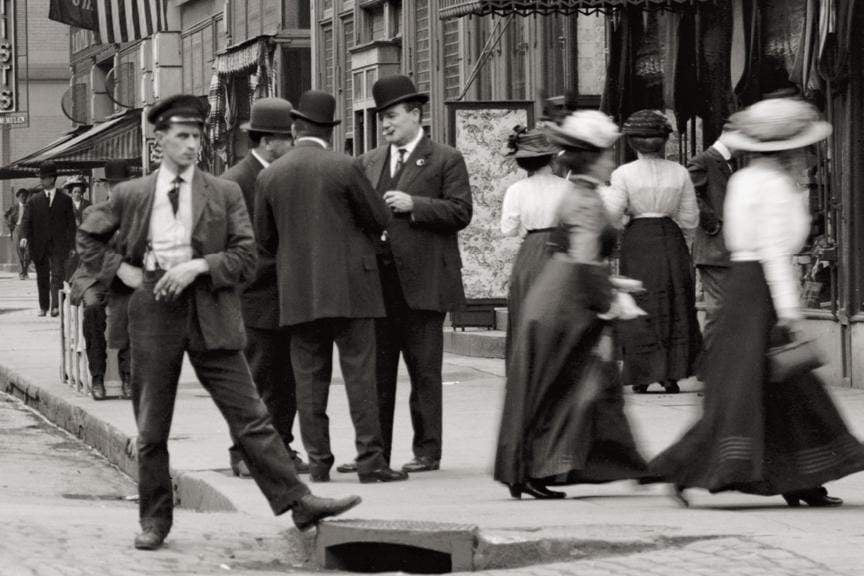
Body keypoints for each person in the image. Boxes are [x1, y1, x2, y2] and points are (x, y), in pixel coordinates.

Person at [77, 94, 361, 551]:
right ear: (160, 140)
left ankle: (300, 502)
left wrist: (199, 266)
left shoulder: (224, 192)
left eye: (197, 137)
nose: (192, 146)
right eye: (182, 136)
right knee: (152, 427)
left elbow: (247, 257)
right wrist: (122, 271)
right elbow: (88, 236)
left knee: (251, 417)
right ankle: (155, 521)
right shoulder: (131, 195)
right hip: (153, 314)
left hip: (212, 312)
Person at [649, 97, 864, 508]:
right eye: (800, 148)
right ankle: (696, 467)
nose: (805, 155)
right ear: (786, 150)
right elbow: (775, 254)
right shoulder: (777, 187)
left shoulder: (745, 180)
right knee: (774, 386)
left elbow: (741, 242)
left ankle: (801, 480)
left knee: (763, 387)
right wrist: (790, 313)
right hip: (762, 292)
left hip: (741, 288)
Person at [494, 110, 649, 499]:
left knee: (572, 383)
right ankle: (534, 468)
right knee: (558, 384)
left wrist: (612, 285)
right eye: (607, 155)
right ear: (591, 160)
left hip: (558, 293)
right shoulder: (585, 200)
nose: (611, 161)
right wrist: (611, 301)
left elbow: (576, 255)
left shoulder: (579, 194)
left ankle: (541, 467)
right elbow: (582, 259)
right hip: (566, 303)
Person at [255, 90, 407, 484]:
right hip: (353, 290)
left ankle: (319, 463)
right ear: (329, 129)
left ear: (295, 127)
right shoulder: (345, 166)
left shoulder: (270, 175)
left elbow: (265, 241)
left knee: (308, 381)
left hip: (299, 292)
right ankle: (371, 462)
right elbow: (379, 218)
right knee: (361, 378)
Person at [348, 74, 472, 474]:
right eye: (382, 118)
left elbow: (460, 211)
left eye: (392, 117)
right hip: (379, 288)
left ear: (416, 115)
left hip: (424, 286)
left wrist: (414, 203)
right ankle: (375, 452)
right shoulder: (368, 162)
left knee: (424, 374)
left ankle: (427, 451)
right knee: (377, 376)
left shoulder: (445, 158)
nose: (385, 125)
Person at [221, 97, 310, 477]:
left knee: (282, 380)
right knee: (257, 380)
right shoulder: (236, 182)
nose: (292, 144)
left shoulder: (274, 174)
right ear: (269, 141)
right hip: (253, 298)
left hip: (281, 296)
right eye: (288, 138)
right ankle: (246, 452)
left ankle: (278, 447)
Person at [604, 110, 701, 394]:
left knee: (641, 301)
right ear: (664, 141)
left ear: (632, 143)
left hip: (638, 240)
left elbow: (611, 213)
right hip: (671, 239)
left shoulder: (623, 174)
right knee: (675, 301)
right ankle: (672, 373)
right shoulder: (680, 172)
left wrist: (625, 221)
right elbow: (690, 219)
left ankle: (642, 373)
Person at [500, 126, 568, 363]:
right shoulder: (567, 188)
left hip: (530, 251)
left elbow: (507, 229)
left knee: (527, 309)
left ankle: (527, 370)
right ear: (551, 158)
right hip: (562, 250)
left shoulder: (516, 190)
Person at [68, 162, 134, 401]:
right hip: (95, 277)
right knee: (94, 309)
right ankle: (97, 376)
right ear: (107, 187)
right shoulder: (92, 213)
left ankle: (128, 377)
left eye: (122, 185)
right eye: (114, 185)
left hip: (124, 278)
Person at [688, 131, 739, 358]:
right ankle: (711, 371)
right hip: (714, 249)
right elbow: (690, 193)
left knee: (721, 311)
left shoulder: (728, 163)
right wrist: (713, 225)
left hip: (723, 250)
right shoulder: (704, 160)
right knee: (717, 311)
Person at [19, 161, 76, 317]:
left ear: (52, 179)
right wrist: (24, 237)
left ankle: (56, 306)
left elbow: (71, 225)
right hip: (39, 245)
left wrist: (72, 245)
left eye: (44, 178)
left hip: (59, 245)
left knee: (58, 275)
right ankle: (44, 306)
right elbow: (26, 221)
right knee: (42, 277)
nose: (41, 181)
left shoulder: (65, 200)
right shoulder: (34, 200)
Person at [4, 188, 31, 279]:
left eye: (25, 196)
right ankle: (21, 273)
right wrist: (10, 226)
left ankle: (25, 270)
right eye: (21, 196)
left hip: (27, 231)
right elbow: (5, 215)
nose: (23, 198)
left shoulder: (30, 207)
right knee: (18, 251)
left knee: (28, 252)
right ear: (18, 197)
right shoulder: (14, 207)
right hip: (17, 229)